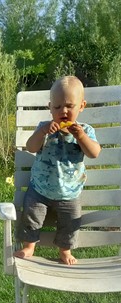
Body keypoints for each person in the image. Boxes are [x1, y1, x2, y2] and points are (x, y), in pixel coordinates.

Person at [14, 76, 101, 265]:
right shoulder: (44, 129)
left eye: (69, 106)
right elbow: (31, 147)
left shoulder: (85, 130)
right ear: (50, 107)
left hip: (70, 193)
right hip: (39, 190)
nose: (63, 111)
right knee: (31, 216)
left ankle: (65, 250)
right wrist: (42, 132)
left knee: (71, 222)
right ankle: (29, 246)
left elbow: (94, 153)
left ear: (82, 106)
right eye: (57, 107)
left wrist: (81, 137)